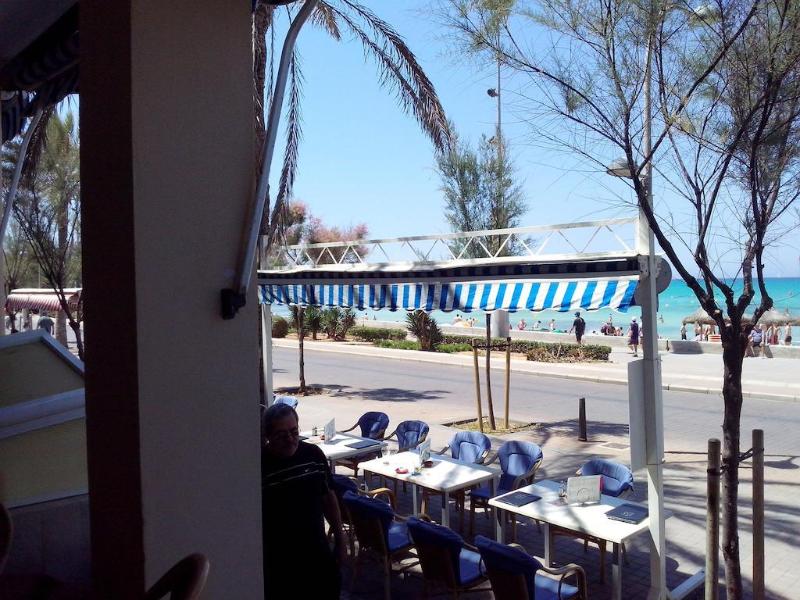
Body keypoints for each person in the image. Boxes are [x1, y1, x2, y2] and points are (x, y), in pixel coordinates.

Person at [261, 403, 345, 599]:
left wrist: (341, 540)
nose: (290, 439)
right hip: (279, 562)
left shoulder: (313, 455)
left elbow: (329, 498)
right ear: (268, 436)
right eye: (281, 435)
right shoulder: (260, 465)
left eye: (294, 432)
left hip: (317, 552)